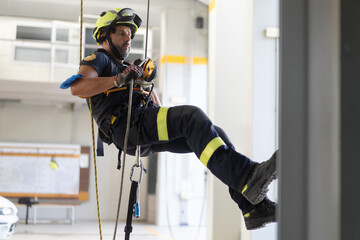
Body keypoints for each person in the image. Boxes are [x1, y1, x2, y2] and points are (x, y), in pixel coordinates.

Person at [60, 7, 277, 230]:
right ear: (105, 36)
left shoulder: (126, 68)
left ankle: (252, 207)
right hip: (128, 127)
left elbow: (156, 106)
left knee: (214, 134)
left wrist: (145, 80)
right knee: (192, 117)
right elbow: (77, 88)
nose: (128, 39)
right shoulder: (99, 59)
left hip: (141, 127)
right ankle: (249, 176)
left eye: (130, 34)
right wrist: (119, 79)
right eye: (122, 33)